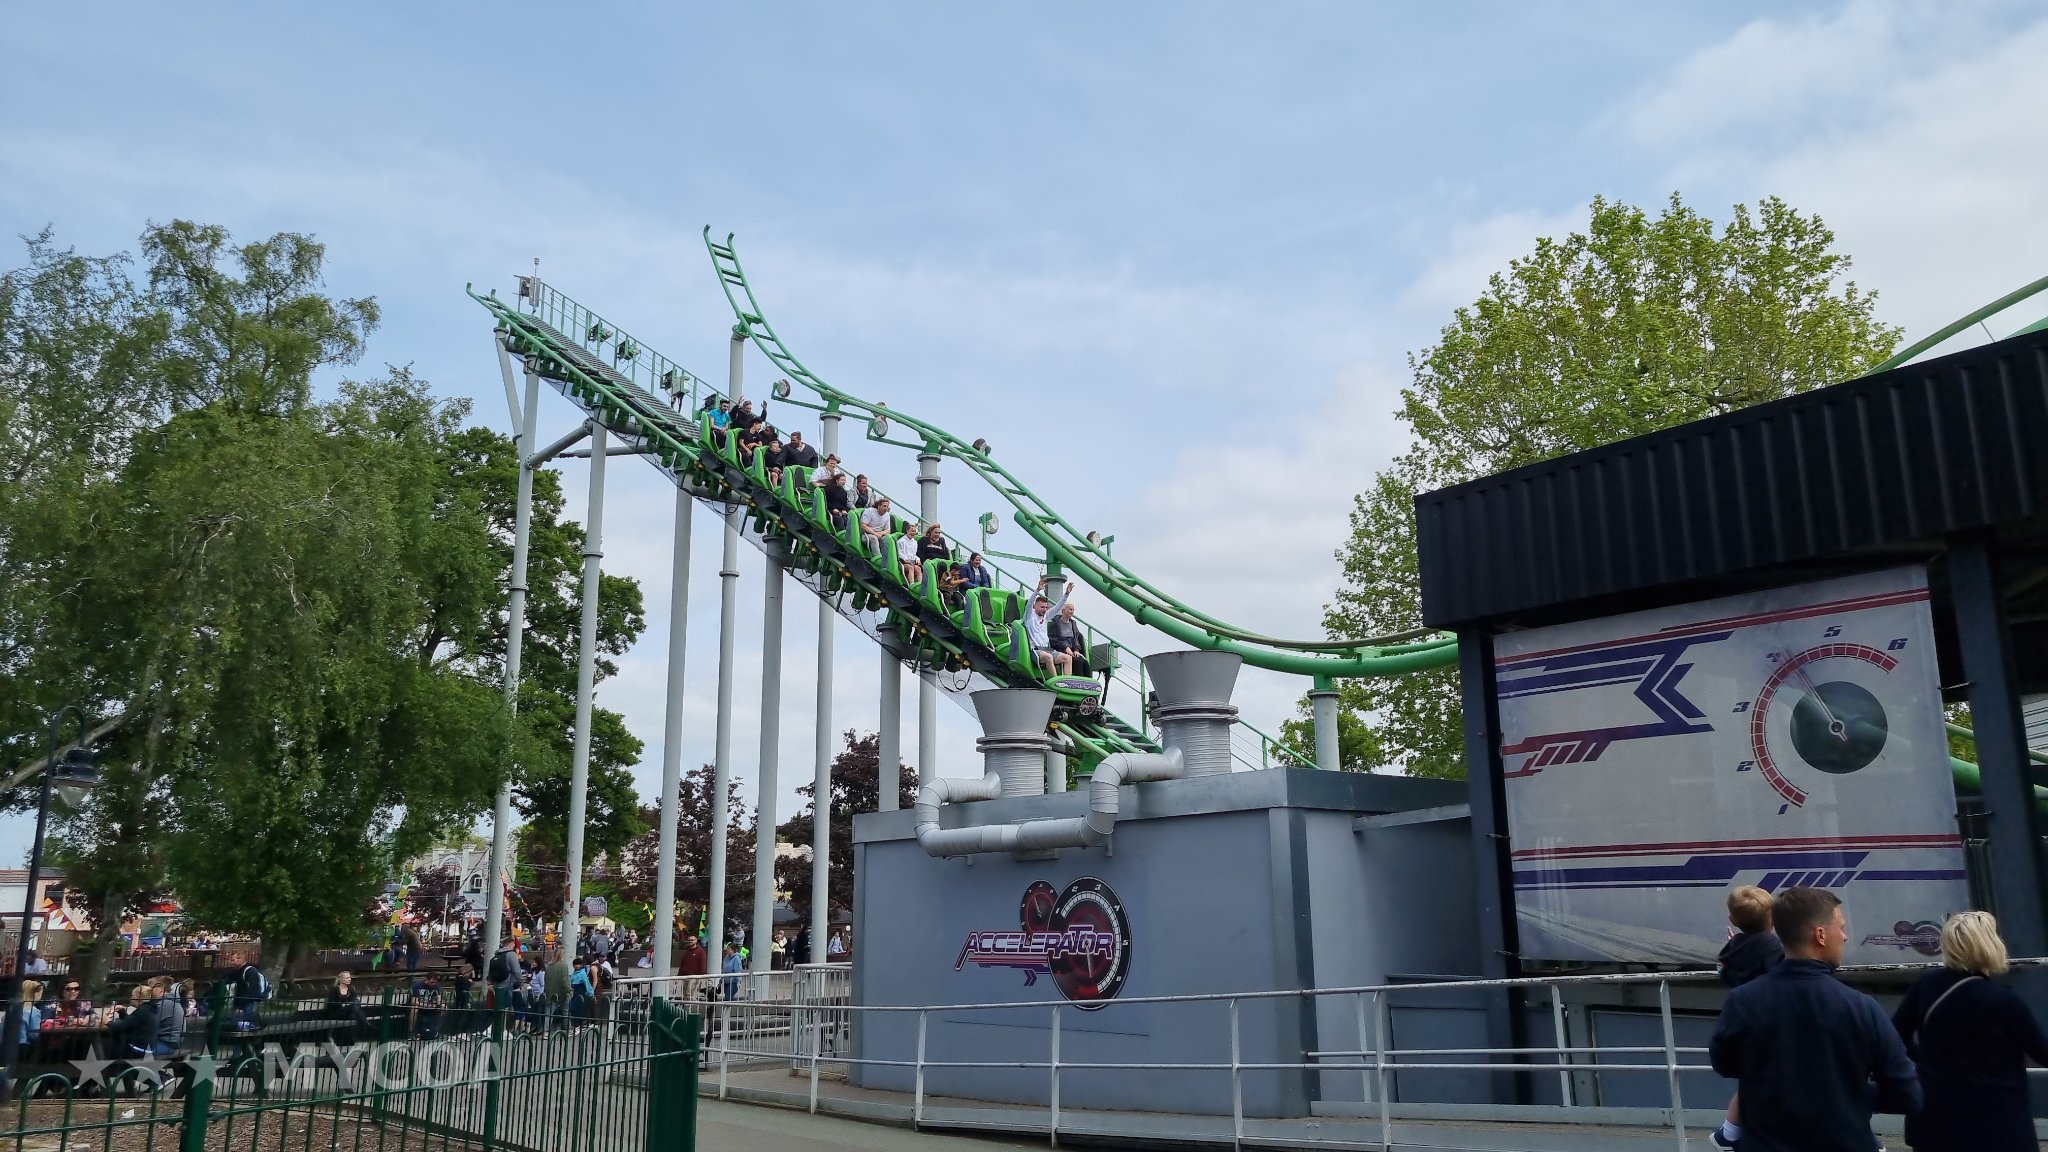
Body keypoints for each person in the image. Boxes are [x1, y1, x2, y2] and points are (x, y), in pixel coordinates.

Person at [1708, 887, 1918, 1152]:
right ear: (1820, 935)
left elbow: (1725, 1064)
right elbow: (1906, 1094)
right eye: (1841, 928)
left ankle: (1727, 1135)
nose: (1844, 936)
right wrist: (1851, 1093)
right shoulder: (1861, 1008)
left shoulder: (1742, 1002)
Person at [1890, 910, 2048, 1152]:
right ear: (1989, 944)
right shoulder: (2003, 1001)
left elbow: (1895, 1035)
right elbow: (2042, 1052)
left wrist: (1925, 1061)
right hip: (1996, 1123)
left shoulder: (1926, 985)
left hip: (1935, 1121)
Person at [1712, 884, 1784, 1149]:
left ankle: (1729, 1132)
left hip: (1742, 1021)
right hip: (1768, 1023)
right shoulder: (1772, 946)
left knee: (1750, 1080)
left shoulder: (1732, 948)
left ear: (1732, 920)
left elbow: (1725, 974)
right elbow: (1779, 977)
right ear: (1773, 919)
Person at [1023, 576, 1073, 676]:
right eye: (1042, 607)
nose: (1045, 609)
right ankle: (1056, 681)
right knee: (1048, 657)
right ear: (1035, 606)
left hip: (1047, 649)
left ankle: (1067, 682)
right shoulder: (1029, 616)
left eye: (1046, 607)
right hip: (1035, 651)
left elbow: (1058, 607)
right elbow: (1029, 603)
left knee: (1068, 658)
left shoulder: (1045, 616)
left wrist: (1066, 594)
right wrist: (1037, 590)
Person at [1049, 600, 1091, 675]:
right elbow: (1053, 640)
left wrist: (1076, 650)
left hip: (1072, 651)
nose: (1072, 612)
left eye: (1073, 610)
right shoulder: (1055, 624)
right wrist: (1065, 647)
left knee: (1085, 663)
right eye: (1070, 609)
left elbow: (1076, 639)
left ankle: (1088, 681)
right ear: (1063, 610)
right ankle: (1077, 680)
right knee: (1078, 661)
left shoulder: (1073, 624)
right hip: (1061, 650)